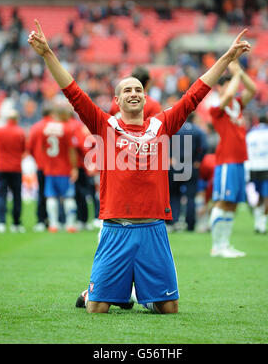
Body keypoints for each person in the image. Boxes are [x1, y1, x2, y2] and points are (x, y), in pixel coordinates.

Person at [28, 20, 251, 314]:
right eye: (127, 90)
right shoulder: (104, 125)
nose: (133, 93)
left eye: (138, 89)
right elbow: (73, 92)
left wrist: (226, 58)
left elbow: (196, 93)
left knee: (169, 308)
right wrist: (47, 54)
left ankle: (139, 292)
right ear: (117, 100)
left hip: (153, 229)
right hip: (115, 228)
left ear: (145, 98)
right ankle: (98, 291)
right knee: (96, 309)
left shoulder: (162, 124)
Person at [209, 59, 257, 258]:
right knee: (222, 201)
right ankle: (216, 246)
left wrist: (240, 72)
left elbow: (252, 90)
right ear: (220, 87)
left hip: (239, 160)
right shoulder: (216, 107)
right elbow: (229, 93)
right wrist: (235, 73)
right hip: (226, 160)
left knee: (233, 204)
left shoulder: (236, 105)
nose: (234, 88)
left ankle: (225, 244)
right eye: (228, 83)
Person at [41, 102, 79, 233]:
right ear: (63, 114)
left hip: (50, 168)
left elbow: (42, 148)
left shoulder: (46, 128)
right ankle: (70, 224)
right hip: (65, 169)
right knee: (68, 197)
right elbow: (71, 150)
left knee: (51, 196)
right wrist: (74, 168)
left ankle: (53, 224)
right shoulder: (67, 128)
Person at [167, 113, 208, 232]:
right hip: (190, 165)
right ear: (193, 118)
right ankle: (190, 224)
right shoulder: (197, 130)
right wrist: (198, 160)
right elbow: (204, 146)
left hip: (174, 165)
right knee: (190, 196)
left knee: (174, 195)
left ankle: (173, 222)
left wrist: (169, 157)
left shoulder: (174, 128)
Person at [0, 109, 26, 233]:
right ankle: (16, 223)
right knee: (16, 196)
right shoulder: (20, 132)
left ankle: (1, 222)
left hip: (1, 167)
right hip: (15, 168)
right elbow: (23, 149)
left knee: (1, 195)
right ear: (16, 118)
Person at [27, 104, 53, 232]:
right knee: (57, 195)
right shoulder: (56, 127)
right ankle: (57, 220)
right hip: (56, 167)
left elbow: (30, 147)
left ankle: (41, 220)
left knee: (42, 193)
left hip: (41, 166)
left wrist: (37, 158)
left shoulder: (36, 127)